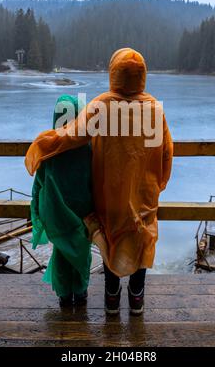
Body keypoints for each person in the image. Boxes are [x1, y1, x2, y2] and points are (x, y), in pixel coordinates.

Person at [25, 48, 173, 315]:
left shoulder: (101, 106)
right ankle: (137, 297)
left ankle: (112, 297)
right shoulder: (154, 109)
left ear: (114, 74)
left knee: (110, 238)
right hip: (144, 194)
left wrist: (42, 145)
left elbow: (72, 135)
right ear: (142, 76)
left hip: (110, 191)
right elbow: (165, 152)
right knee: (142, 239)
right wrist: (159, 184)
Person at [30, 94, 93, 307]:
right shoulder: (89, 147)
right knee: (82, 251)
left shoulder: (48, 145)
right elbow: (97, 179)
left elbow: (39, 181)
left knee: (61, 251)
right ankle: (80, 290)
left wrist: (37, 208)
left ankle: (64, 295)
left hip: (56, 212)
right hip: (83, 211)